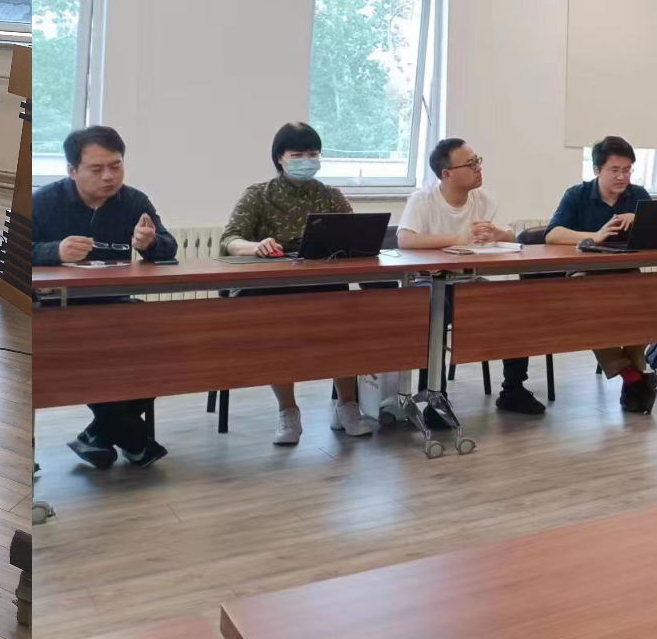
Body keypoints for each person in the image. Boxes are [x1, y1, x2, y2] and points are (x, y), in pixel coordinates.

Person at [222, 122, 373, 444]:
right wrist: (255, 246)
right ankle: (288, 411)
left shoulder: (330, 196)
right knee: (278, 336)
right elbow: (230, 239)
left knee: (346, 327)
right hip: (273, 287)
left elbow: (355, 235)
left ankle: (348, 406)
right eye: (298, 155)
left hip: (322, 283)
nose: (307, 160)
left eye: (313, 154)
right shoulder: (258, 195)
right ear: (280, 158)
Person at [32, 126, 174, 468]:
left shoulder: (134, 201)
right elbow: (15, 249)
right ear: (72, 170)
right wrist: (55, 251)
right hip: (56, 308)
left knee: (166, 345)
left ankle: (98, 436)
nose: (109, 177)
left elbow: (169, 248)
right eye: (96, 169)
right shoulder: (44, 201)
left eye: (116, 166)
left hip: (113, 304)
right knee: (87, 350)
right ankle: (133, 438)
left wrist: (150, 243)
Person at [385, 137, 543, 419]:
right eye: (470, 164)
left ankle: (513, 389)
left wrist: (498, 234)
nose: (478, 168)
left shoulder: (484, 198)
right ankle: (435, 397)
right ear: (447, 174)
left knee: (516, 307)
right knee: (435, 310)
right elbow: (405, 240)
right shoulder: (423, 199)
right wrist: (457, 238)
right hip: (429, 281)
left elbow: (510, 236)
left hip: (470, 281)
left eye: (477, 161)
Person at [541, 136, 657, 414]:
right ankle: (632, 378)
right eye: (614, 170)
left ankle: (632, 381)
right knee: (591, 311)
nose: (622, 177)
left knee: (646, 305)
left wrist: (641, 218)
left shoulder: (638, 195)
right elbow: (552, 234)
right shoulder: (577, 195)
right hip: (586, 273)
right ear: (597, 170)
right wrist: (593, 236)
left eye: (627, 170)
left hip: (626, 270)